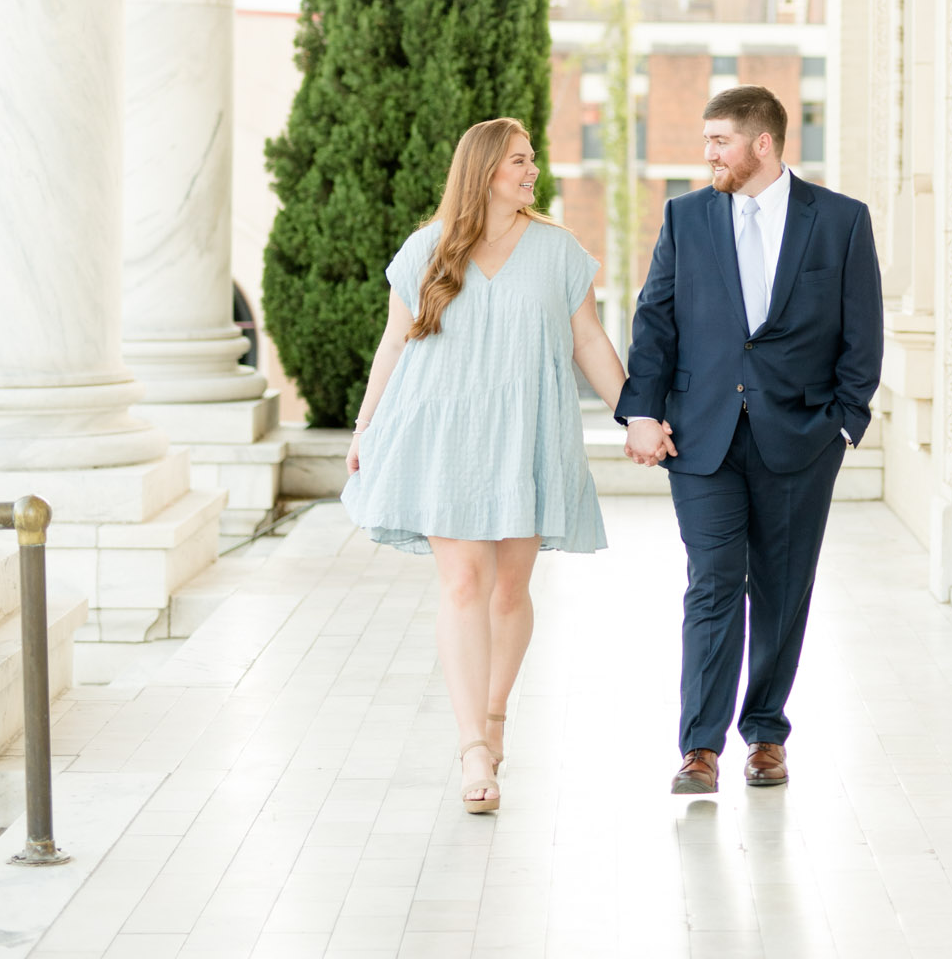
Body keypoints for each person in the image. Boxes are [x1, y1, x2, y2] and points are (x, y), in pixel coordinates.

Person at [342, 117, 627, 813]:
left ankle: (495, 716)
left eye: (531, 160)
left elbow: (588, 341)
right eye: (517, 162)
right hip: (443, 436)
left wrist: (636, 414)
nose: (531, 171)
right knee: (464, 583)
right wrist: (365, 423)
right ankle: (472, 745)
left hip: (526, 434)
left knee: (508, 591)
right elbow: (394, 344)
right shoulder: (425, 250)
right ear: (481, 172)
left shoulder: (559, 252)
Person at [617, 84, 883, 794]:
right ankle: (698, 747)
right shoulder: (685, 217)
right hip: (700, 436)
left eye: (719, 140)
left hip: (800, 438)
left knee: (781, 588)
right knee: (712, 582)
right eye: (706, 140)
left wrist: (842, 423)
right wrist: (641, 411)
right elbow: (656, 322)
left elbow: (863, 334)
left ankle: (764, 732)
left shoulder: (839, 221)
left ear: (761, 143)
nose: (707, 153)